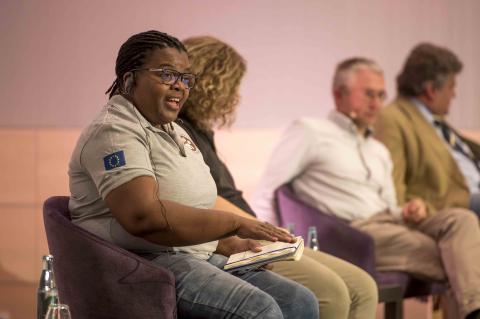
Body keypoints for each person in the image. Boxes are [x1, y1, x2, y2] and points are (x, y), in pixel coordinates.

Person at [68, 30, 319, 319]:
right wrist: (234, 224)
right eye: (166, 74)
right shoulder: (114, 132)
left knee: (299, 301)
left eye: (185, 78)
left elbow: (187, 209)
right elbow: (143, 218)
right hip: (140, 262)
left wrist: (232, 245)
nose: (180, 87)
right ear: (129, 79)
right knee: (259, 310)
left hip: (187, 253)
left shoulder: (173, 130)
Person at [252, 57, 480, 319]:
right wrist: (268, 245)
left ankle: (474, 308)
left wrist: (408, 210)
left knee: (462, 219)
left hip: (393, 224)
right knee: (462, 255)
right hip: (355, 233)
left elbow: (390, 205)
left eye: (382, 95)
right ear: (339, 94)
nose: (377, 104)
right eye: (369, 94)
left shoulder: (378, 149)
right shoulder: (310, 132)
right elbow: (268, 190)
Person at [176, 35, 378, 319]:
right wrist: (262, 228)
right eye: (234, 87)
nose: (237, 97)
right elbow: (205, 200)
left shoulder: (200, 130)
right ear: (214, 84)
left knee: (363, 286)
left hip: (253, 231)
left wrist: (270, 231)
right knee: (332, 291)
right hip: (234, 239)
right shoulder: (177, 130)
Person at [374, 43, 480, 218]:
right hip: (454, 206)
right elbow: (394, 187)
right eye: (451, 87)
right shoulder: (392, 119)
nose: (454, 94)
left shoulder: (437, 122)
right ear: (431, 90)